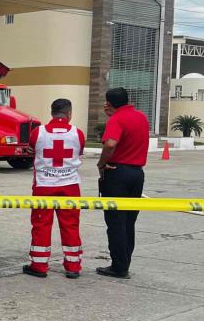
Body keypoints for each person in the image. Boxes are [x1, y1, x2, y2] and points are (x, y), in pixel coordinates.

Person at [23, 99, 85, 279]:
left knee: (41, 225)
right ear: (69, 113)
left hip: (44, 186)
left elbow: (32, 150)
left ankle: (39, 265)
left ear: (51, 113)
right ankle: (73, 266)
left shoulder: (37, 133)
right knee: (71, 225)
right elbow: (78, 152)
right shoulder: (77, 134)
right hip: (70, 185)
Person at [96, 87, 149, 279]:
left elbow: (110, 143)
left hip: (117, 173)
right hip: (137, 174)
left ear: (108, 103)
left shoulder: (116, 119)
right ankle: (125, 261)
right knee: (129, 221)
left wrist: (101, 163)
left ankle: (118, 266)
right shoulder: (141, 116)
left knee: (115, 221)